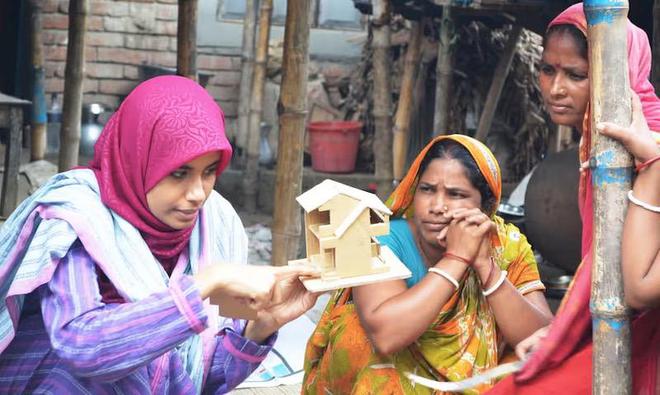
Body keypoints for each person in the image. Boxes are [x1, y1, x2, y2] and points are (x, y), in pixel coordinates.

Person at [0, 76, 320, 394]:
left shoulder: (214, 227)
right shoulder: (82, 221)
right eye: (178, 173)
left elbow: (202, 380)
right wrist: (201, 287)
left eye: (209, 171)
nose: (198, 193)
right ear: (138, 159)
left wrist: (261, 326)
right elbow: (82, 348)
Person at [487, 3, 660, 394]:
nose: (555, 88)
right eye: (547, 69)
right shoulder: (603, 143)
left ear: (617, 74)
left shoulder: (645, 144)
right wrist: (557, 333)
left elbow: (635, 285)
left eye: (576, 75)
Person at [302, 134, 553, 394]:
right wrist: (457, 259)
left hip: (475, 384)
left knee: (526, 366)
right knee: (359, 337)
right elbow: (386, 336)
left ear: (487, 206)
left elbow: (543, 341)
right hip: (393, 380)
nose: (437, 206)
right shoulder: (377, 239)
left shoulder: (506, 245)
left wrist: (487, 270)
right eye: (427, 189)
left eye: (456, 194)